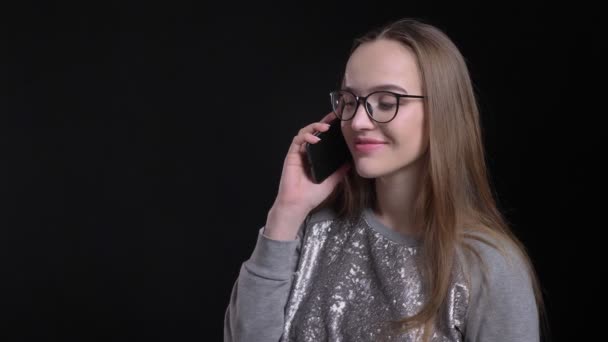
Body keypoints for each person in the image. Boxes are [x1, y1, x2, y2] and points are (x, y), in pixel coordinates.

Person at [224, 17, 545, 342]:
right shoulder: (311, 230)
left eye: (387, 102)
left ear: (443, 112)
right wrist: (286, 211)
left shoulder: (488, 266)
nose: (359, 121)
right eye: (349, 102)